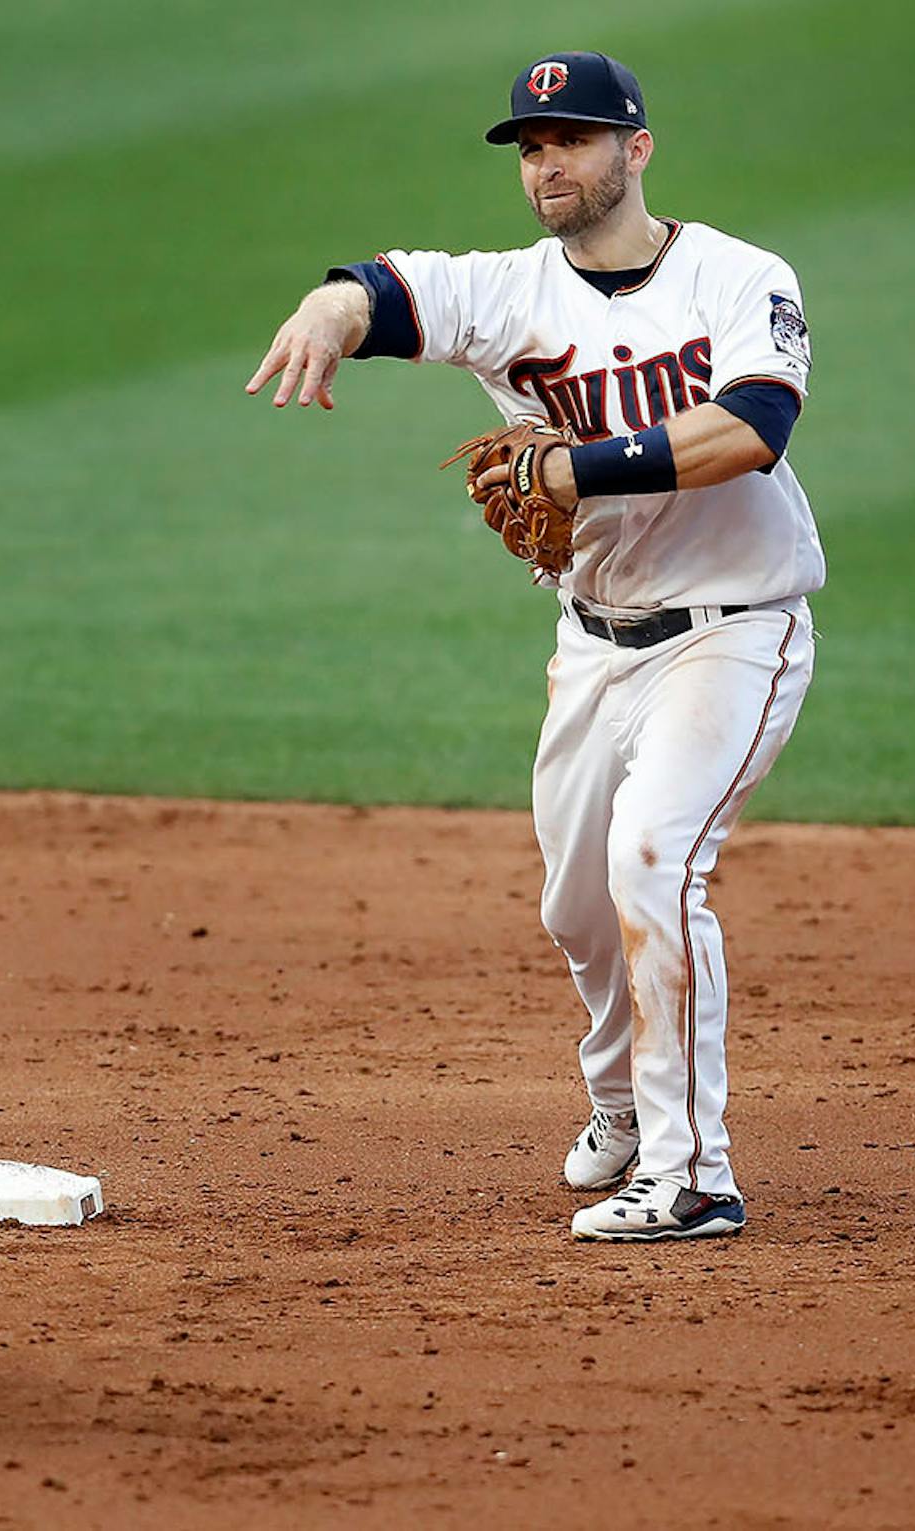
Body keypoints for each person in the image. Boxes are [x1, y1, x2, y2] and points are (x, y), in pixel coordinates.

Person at [246, 53, 821, 1241]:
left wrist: (572, 469)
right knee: (578, 907)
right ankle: (622, 1108)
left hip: (736, 629)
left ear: (636, 149)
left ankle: (694, 1174)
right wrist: (326, 309)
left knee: (653, 860)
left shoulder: (738, 276)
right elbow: (382, 291)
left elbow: (753, 428)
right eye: (531, 146)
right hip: (593, 645)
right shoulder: (508, 290)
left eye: (573, 139)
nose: (548, 164)